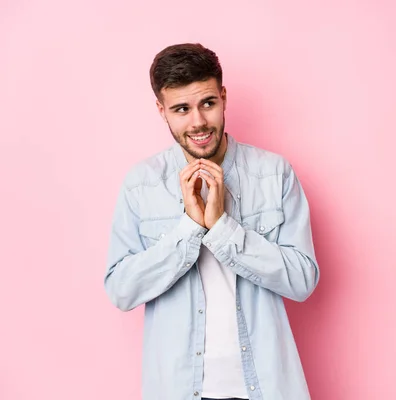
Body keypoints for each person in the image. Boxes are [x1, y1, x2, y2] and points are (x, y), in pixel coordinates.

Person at [104, 43, 320, 400]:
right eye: (181, 109)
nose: (198, 122)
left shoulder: (273, 173)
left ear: (223, 97)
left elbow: (302, 280)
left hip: (266, 388)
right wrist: (189, 227)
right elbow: (121, 290)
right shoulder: (142, 184)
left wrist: (222, 228)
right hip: (177, 389)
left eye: (207, 103)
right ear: (162, 111)